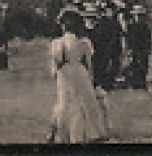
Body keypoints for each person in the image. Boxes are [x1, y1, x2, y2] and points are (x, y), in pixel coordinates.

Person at [47, 9, 110, 144]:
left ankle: (62, 132)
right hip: (80, 72)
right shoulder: (84, 42)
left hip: (65, 73)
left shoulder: (57, 43)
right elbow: (88, 64)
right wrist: (91, 79)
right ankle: (86, 132)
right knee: (84, 100)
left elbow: (55, 64)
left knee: (64, 101)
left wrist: (56, 74)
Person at [125, 5, 152, 90]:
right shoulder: (131, 26)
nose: (137, 17)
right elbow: (128, 38)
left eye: (139, 15)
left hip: (143, 49)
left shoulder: (145, 26)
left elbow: (148, 38)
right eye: (136, 15)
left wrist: (149, 48)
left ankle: (142, 82)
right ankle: (135, 83)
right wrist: (129, 48)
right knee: (135, 65)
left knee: (143, 65)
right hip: (134, 48)